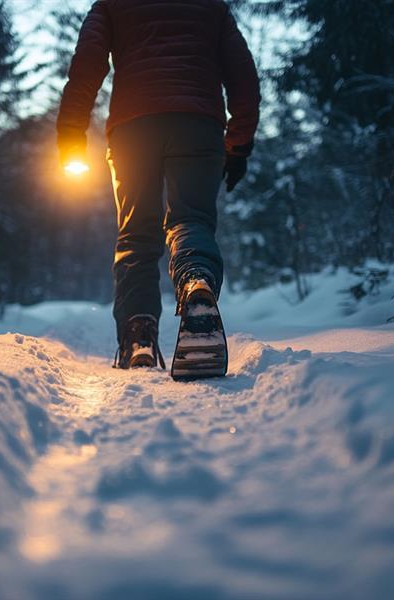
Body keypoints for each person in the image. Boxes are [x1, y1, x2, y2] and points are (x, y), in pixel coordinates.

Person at [57, 0, 260, 379]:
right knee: (192, 219)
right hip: (198, 125)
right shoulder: (211, 7)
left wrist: (70, 136)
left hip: (134, 128)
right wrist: (239, 144)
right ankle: (196, 281)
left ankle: (139, 339)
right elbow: (243, 78)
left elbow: (86, 67)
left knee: (136, 234)